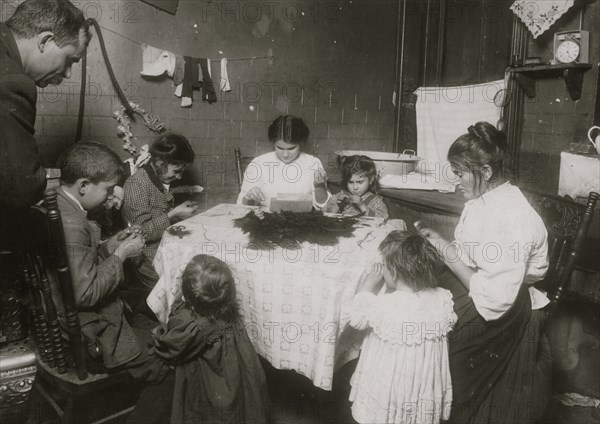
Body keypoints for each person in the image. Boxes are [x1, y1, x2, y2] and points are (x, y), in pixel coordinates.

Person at [417, 122, 551, 424]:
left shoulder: (510, 215)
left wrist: (448, 255)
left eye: (460, 173)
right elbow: (473, 254)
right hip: (483, 285)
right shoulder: (485, 200)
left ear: (486, 173)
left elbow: (495, 299)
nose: (456, 181)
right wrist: (440, 247)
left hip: (505, 305)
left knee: (437, 349)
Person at [54, 141, 169, 382]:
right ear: (84, 185)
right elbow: (85, 294)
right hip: (87, 334)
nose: (110, 197)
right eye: (107, 190)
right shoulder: (73, 225)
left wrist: (110, 245)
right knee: (171, 356)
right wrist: (122, 254)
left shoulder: (59, 204)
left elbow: (78, 264)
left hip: (66, 321)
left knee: (150, 317)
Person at [128, 254, 270, 424]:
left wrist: (159, 335)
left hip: (205, 376)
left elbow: (170, 348)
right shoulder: (228, 311)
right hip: (233, 371)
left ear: (189, 300)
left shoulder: (191, 325)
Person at [0, 0, 91, 251]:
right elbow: (19, 187)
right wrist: (49, 176)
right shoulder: (12, 82)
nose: (69, 74)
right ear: (45, 41)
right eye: (70, 60)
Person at [344, 230, 456, 424]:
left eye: (385, 267)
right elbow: (450, 320)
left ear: (393, 272)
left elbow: (356, 318)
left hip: (388, 388)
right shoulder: (442, 298)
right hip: (420, 387)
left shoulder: (384, 306)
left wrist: (368, 285)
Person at [121, 133, 198, 306]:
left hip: (164, 246)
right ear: (159, 162)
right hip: (146, 256)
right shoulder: (137, 185)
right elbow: (138, 235)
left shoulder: (155, 179)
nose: (179, 177)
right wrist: (172, 214)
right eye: (176, 171)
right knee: (191, 281)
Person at [237, 115, 331, 209]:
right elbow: (241, 205)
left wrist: (319, 187)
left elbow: (324, 206)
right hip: (266, 219)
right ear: (273, 143)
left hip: (302, 220)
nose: (285, 154)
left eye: (291, 148)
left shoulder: (312, 163)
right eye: (280, 148)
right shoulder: (259, 163)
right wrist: (249, 196)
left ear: (301, 143)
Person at [323, 155, 388, 218]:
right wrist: (337, 205)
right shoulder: (339, 197)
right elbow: (325, 214)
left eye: (359, 182)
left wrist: (362, 205)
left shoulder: (375, 201)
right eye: (350, 182)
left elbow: (382, 218)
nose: (355, 187)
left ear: (371, 180)